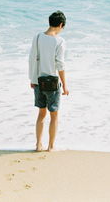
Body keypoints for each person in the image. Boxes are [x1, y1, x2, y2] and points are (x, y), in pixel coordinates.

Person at [28, 10, 69, 152]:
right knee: (54, 116)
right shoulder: (60, 41)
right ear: (61, 25)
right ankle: (51, 146)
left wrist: (32, 78)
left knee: (41, 114)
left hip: (38, 81)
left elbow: (32, 58)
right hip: (52, 83)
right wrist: (64, 85)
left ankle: (38, 145)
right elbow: (60, 65)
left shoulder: (38, 37)